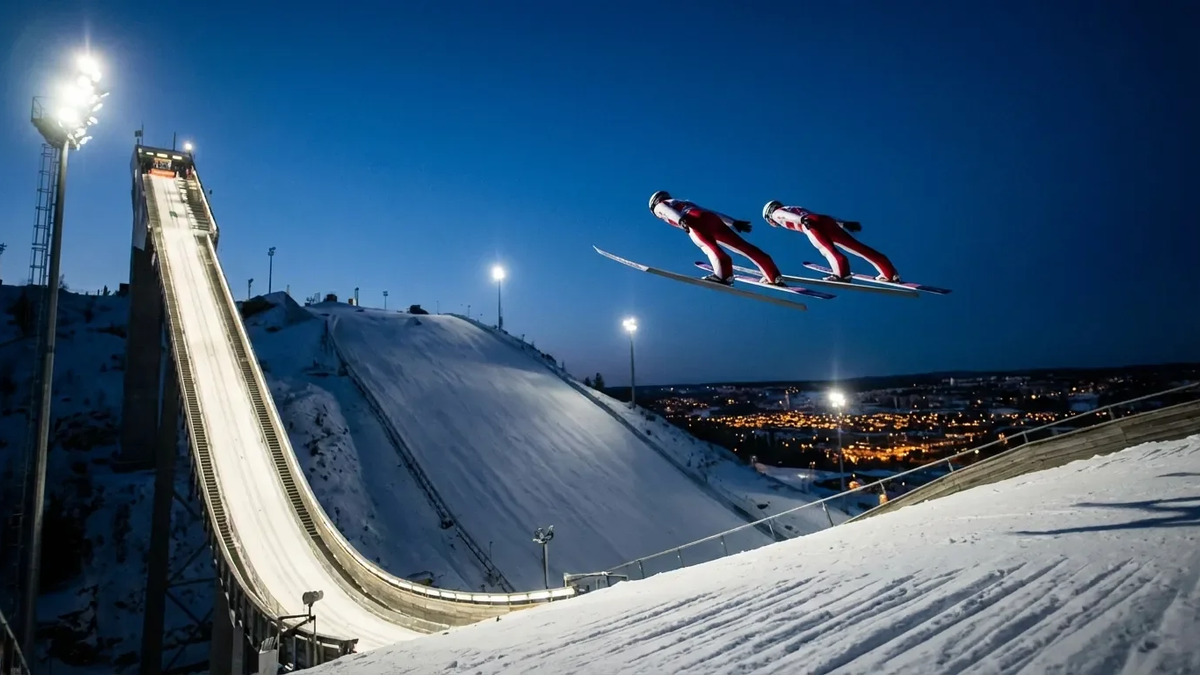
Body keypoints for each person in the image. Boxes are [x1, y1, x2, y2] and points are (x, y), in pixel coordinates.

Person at [649, 191, 783, 286]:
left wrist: (680, 220)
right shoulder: (684, 201)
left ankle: (724, 275)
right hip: (710, 218)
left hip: (692, 220)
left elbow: (666, 211)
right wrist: (733, 222)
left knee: (708, 246)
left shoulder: (659, 206)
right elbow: (711, 212)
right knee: (742, 246)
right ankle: (773, 274)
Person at [761, 200, 900, 282]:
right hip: (824, 220)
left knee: (826, 249)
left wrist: (801, 220)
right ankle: (889, 271)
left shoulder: (776, 213)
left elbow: (784, 215)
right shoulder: (794, 206)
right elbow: (820, 216)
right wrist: (843, 224)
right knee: (856, 247)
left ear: (769, 215)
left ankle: (841, 273)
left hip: (809, 223)